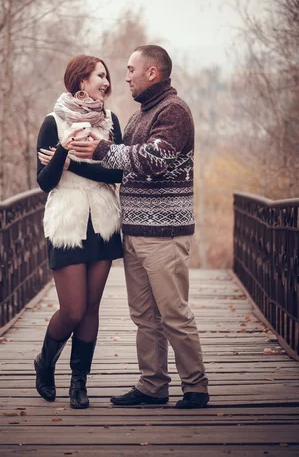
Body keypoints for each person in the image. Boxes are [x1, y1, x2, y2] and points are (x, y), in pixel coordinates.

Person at [69, 45, 210, 409]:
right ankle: (152, 385)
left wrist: (99, 149)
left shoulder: (174, 111)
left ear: (153, 72)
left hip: (164, 234)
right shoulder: (140, 115)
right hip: (135, 230)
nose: (125, 76)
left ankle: (195, 386)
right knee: (144, 316)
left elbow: (152, 159)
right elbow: (120, 164)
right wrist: (68, 159)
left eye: (131, 69)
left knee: (173, 313)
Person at [35, 54, 123, 410]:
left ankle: (79, 383)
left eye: (107, 76)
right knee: (72, 310)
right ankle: (44, 362)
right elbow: (44, 182)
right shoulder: (52, 121)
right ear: (80, 80)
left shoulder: (111, 122)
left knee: (90, 310)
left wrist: (75, 165)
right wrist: (63, 153)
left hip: (103, 222)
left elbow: (118, 174)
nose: (106, 81)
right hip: (68, 223)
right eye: (99, 75)